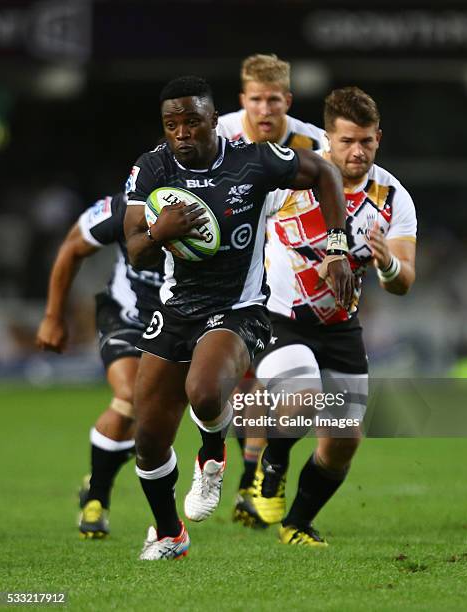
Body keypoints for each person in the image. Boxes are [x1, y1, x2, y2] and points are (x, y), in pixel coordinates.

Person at [123, 74, 354, 560]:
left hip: (239, 308)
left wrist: (337, 249)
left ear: (214, 120)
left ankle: (212, 451)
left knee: (204, 392)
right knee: (147, 437)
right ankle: (169, 534)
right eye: (171, 125)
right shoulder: (151, 169)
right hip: (177, 306)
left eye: (192, 122)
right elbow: (136, 251)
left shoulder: (254, 160)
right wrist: (161, 231)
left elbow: (326, 173)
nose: (181, 133)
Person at [245, 86, 417, 546]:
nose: (357, 151)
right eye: (346, 141)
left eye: (366, 141)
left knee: (344, 440)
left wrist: (387, 264)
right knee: (300, 400)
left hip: (341, 327)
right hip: (278, 318)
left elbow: (404, 282)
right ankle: (273, 467)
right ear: (327, 137)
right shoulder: (291, 176)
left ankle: (296, 524)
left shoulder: (393, 197)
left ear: (379, 137)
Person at [217, 53, 327, 522]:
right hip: (227, 269)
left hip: (285, 274)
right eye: (256, 100)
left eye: (274, 100)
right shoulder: (218, 134)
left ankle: (253, 476)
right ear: (243, 99)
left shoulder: (314, 144)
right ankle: (249, 473)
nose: (265, 109)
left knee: (265, 378)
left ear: (289, 100)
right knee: (242, 380)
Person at [36, 192, 163, 539]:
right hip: (127, 317)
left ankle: (97, 478)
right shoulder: (122, 207)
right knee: (129, 397)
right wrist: (52, 317)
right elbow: (73, 246)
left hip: (181, 324)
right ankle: (97, 500)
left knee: (154, 421)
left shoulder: (213, 206)